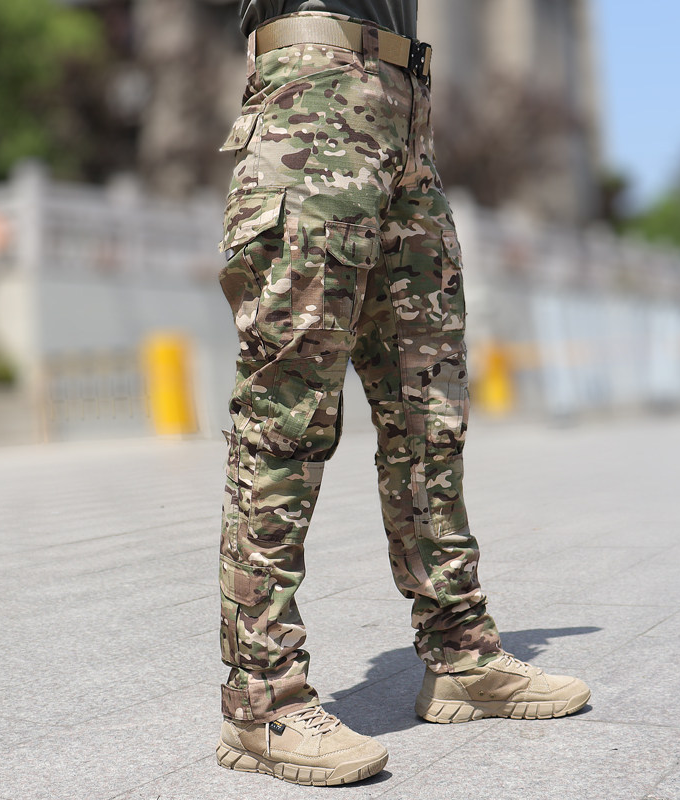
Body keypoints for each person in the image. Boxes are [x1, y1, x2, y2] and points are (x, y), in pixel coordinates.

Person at [215, 1, 591, 786]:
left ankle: (460, 655)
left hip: (406, 118)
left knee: (430, 417)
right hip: (311, 101)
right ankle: (262, 700)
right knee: (286, 421)